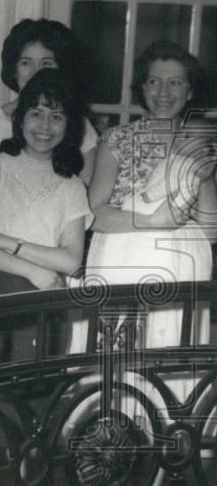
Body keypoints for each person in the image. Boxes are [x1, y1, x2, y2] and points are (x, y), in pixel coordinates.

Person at [85, 41, 215, 348]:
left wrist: (207, 178)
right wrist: (154, 221)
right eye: (154, 82)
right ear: (142, 88)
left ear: (190, 91)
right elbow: (94, 213)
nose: (163, 92)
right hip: (122, 259)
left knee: (168, 348)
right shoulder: (118, 139)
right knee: (123, 351)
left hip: (181, 266)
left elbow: (210, 232)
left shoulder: (200, 145)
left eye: (175, 83)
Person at [0, 69, 91, 361]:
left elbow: (71, 260)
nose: (45, 126)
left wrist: (4, 240)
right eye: (36, 113)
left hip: (44, 299)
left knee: (37, 397)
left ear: (69, 125)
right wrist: (33, 270)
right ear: (20, 118)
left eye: (56, 116)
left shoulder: (72, 185)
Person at [0, 19, 97, 179]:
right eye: (26, 63)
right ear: (14, 70)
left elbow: (87, 191)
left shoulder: (79, 124)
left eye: (46, 63)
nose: (35, 72)